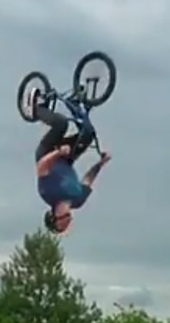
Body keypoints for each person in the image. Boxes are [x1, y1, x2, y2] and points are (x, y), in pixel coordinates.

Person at [25, 87, 111, 234]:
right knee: (87, 134)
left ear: (55, 217)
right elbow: (88, 180)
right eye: (66, 225)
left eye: (62, 225)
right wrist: (100, 164)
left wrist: (57, 153)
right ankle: (74, 103)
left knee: (61, 124)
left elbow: (41, 167)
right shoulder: (78, 201)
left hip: (47, 152)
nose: (67, 223)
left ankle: (34, 109)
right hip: (67, 158)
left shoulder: (49, 194)